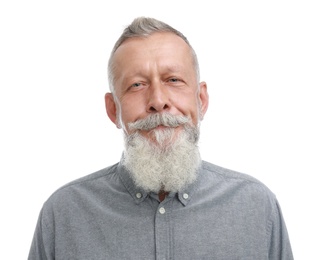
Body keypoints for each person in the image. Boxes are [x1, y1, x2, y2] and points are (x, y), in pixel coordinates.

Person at [28, 17, 293, 259]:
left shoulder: (257, 207)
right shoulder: (63, 215)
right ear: (113, 110)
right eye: (137, 85)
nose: (158, 101)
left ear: (201, 100)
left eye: (173, 80)